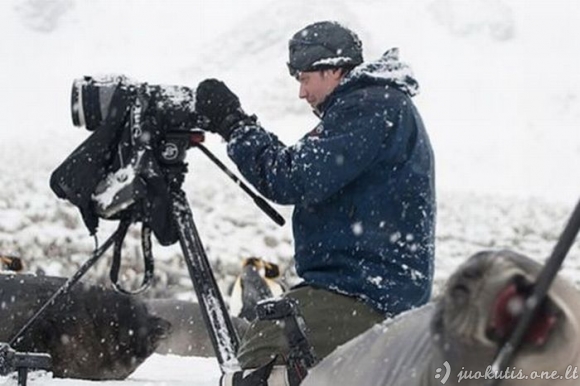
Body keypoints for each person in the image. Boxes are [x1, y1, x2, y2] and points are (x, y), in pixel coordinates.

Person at [195, 20, 436, 379]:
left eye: (305, 79)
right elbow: (296, 168)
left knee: (264, 351)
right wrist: (238, 127)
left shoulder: (371, 106)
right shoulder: (373, 106)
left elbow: (290, 176)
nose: (302, 93)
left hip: (367, 293)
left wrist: (235, 125)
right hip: (369, 286)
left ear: (334, 69)